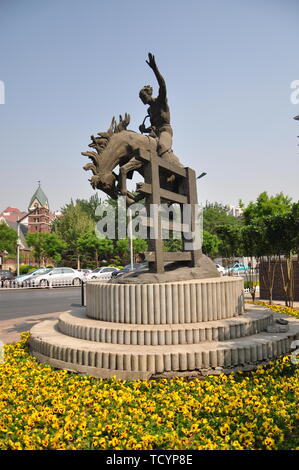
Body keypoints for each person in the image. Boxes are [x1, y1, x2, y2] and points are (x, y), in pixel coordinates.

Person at [139, 53, 173, 159]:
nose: (142, 100)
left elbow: (162, 85)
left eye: (143, 96)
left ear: (149, 94)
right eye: (141, 98)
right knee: (139, 147)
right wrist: (144, 130)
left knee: (162, 146)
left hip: (165, 131)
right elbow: (153, 127)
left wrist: (155, 69)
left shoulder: (160, 101)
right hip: (155, 134)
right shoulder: (149, 110)